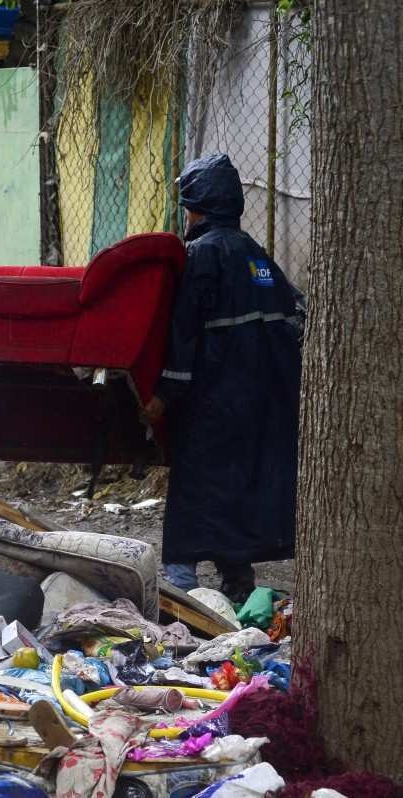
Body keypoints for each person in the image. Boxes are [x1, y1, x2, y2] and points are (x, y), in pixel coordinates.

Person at [144, 153, 303, 603]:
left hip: (212, 402)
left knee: (195, 486)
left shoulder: (199, 255)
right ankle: (238, 579)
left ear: (199, 207)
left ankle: (180, 588)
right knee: (238, 488)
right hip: (262, 404)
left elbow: (183, 335)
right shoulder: (259, 257)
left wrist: (164, 394)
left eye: (187, 205)